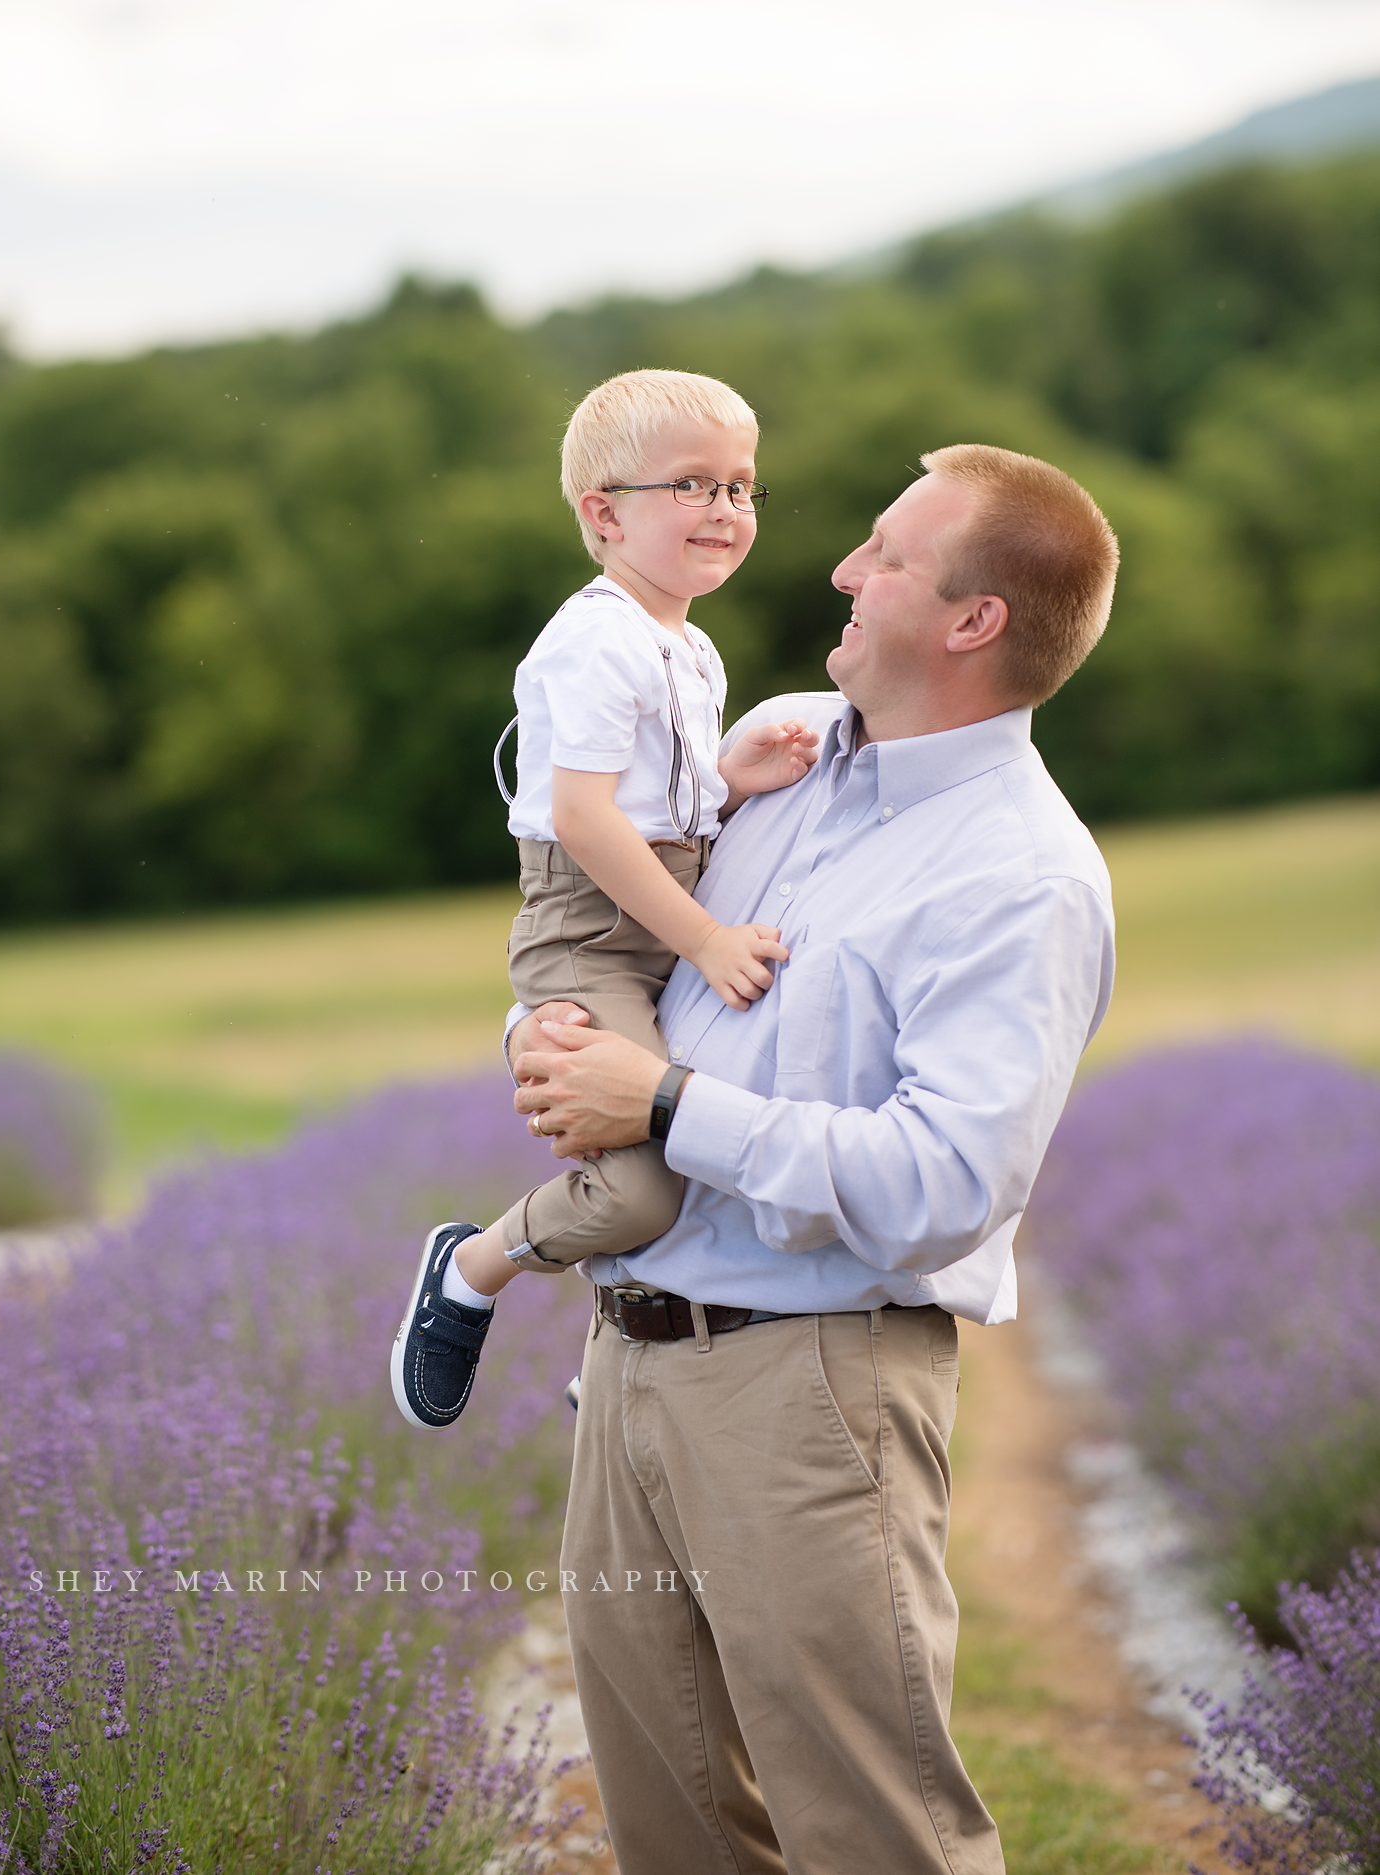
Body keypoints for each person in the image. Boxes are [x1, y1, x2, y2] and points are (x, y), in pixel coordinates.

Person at [508, 443, 1121, 1875]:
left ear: (972, 621)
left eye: (887, 554)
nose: (841, 568)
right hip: (632, 1359)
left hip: (813, 1388)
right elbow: (596, 925)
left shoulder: (1022, 874)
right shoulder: (780, 758)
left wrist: (660, 1106)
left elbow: (944, 1183)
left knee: (874, 1831)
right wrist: (549, 1035)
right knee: (678, 1832)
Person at [392, 370, 818, 1432]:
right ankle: (470, 1272)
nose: (727, 510)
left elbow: (648, 798)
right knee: (639, 1191)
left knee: (734, 1133)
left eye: (743, 487)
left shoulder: (689, 642)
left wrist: (727, 775)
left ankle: (629, 1358)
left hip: (656, 918)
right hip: (593, 936)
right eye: (693, 484)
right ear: (604, 511)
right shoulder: (595, 638)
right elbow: (584, 823)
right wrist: (708, 937)